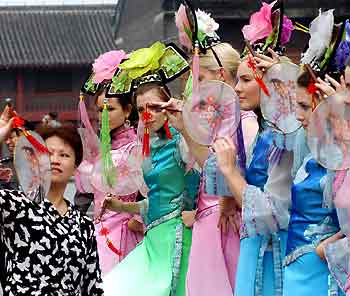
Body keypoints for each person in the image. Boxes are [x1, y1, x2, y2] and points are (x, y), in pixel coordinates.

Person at [102, 41, 201, 296]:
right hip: (153, 236)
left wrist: (196, 211)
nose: (148, 115)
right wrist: (122, 207)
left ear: (169, 105)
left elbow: (206, 174)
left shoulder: (182, 142)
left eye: (155, 108)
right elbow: (154, 201)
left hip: (177, 236)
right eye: (141, 109)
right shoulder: (147, 147)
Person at [174, 4, 258, 295]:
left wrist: (227, 200)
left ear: (221, 75)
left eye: (199, 78)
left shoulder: (246, 124)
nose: (193, 86)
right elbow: (204, 167)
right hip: (207, 218)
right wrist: (185, 128)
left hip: (227, 221)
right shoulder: (218, 125)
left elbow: (240, 177)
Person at [213, 2, 295, 295]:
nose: (236, 88)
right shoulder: (265, 132)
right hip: (255, 245)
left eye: (246, 80)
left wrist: (230, 172)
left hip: (275, 250)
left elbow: (271, 212)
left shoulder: (285, 135)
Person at [0, 111, 104, 295]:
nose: (55, 160)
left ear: (75, 167)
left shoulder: (84, 227)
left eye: (64, 155)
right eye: (48, 153)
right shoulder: (15, 206)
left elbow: (92, 287)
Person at [76, 49, 144, 276]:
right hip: (97, 230)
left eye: (111, 109)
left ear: (128, 110)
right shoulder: (97, 149)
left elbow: (151, 188)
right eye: (100, 109)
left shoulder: (136, 146)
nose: (104, 115)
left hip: (126, 230)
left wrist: (136, 218)